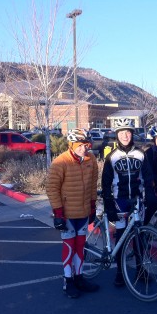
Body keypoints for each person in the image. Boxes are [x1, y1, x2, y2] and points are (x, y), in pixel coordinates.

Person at [101, 118, 157, 287]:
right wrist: (108, 203)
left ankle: (141, 270)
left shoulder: (140, 154)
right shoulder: (112, 156)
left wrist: (150, 194)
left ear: (132, 134)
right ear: (117, 135)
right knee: (121, 236)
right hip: (120, 201)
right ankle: (119, 271)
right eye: (121, 133)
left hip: (137, 200)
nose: (125, 135)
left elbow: (148, 177)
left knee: (139, 235)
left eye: (128, 132)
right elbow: (106, 182)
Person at [46, 128, 100, 298]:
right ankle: (68, 281)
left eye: (86, 145)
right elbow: (52, 188)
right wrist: (58, 213)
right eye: (80, 145)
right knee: (69, 248)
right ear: (71, 144)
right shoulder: (61, 162)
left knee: (80, 247)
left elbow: (92, 186)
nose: (84, 148)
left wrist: (93, 207)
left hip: (83, 212)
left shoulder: (91, 159)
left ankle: (79, 278)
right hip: (67, 214)